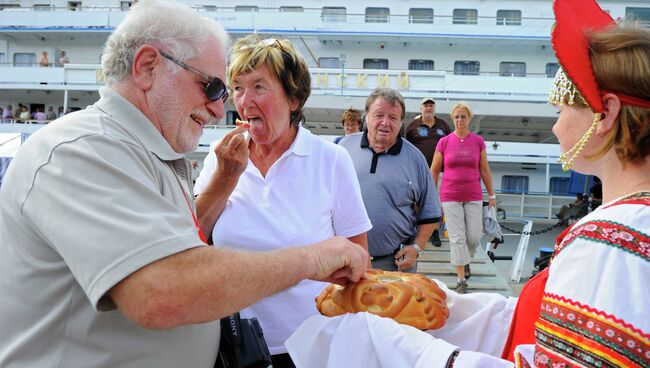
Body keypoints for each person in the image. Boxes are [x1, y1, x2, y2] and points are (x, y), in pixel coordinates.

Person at [0, 1, 369, 367]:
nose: (221, 107)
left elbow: (183, 252)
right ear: (147, 67)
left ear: (293, 98)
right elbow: (160, 292)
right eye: (215, 88)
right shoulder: (81, 151)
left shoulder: (152, 155)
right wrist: (312, 257)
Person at [286, 0, 649, 366]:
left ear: (608, 114)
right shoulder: (623, 227)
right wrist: (457, 309)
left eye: (562, 110)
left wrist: (407, 352)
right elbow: (534, 324)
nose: (555, 126)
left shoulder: (610, 245)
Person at [194, 35, 371, 367]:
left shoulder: (331, 160)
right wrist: (226, 176)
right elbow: (192, 236)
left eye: (259, 87)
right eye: (238, 87)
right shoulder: (221, 157)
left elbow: (359, 260)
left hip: (312, 348)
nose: (245, 101)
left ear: (293, 99)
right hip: (230, 346)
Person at [338, 88, 441, 273]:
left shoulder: (415, 158)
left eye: (393, 118)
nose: (385, 123)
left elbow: (431, 212)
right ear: (366, 117)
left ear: (401, 122)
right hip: (344, 262)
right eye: (378, 115)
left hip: (394, 266)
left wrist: (416, 248)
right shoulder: (341, 148)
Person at [430, 101, 496, 294]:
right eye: (457, 116)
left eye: (463, 116)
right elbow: (434, 170)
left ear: (469, 119)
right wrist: (431, 196)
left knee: (474, 237)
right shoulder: (444, 142)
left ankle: (465, 260)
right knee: (457, 238)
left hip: (473, 195)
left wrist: (491, 194)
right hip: (449, 196)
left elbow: (484, 169)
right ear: (453, 119)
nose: (460, 120)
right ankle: (461, 280)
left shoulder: (477, 141)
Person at [405, 97, 452, 247]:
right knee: (417, 202)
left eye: (431, 105)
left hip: (439, 172)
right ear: (421, 108)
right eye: (426, 105)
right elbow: (405, 148)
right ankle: (415, 232)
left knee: (437, 204)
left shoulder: (443, 125)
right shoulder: (412, 126)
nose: (428, 108)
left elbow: (450, 146)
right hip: (418, 172)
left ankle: (434, 232)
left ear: (435, 108)